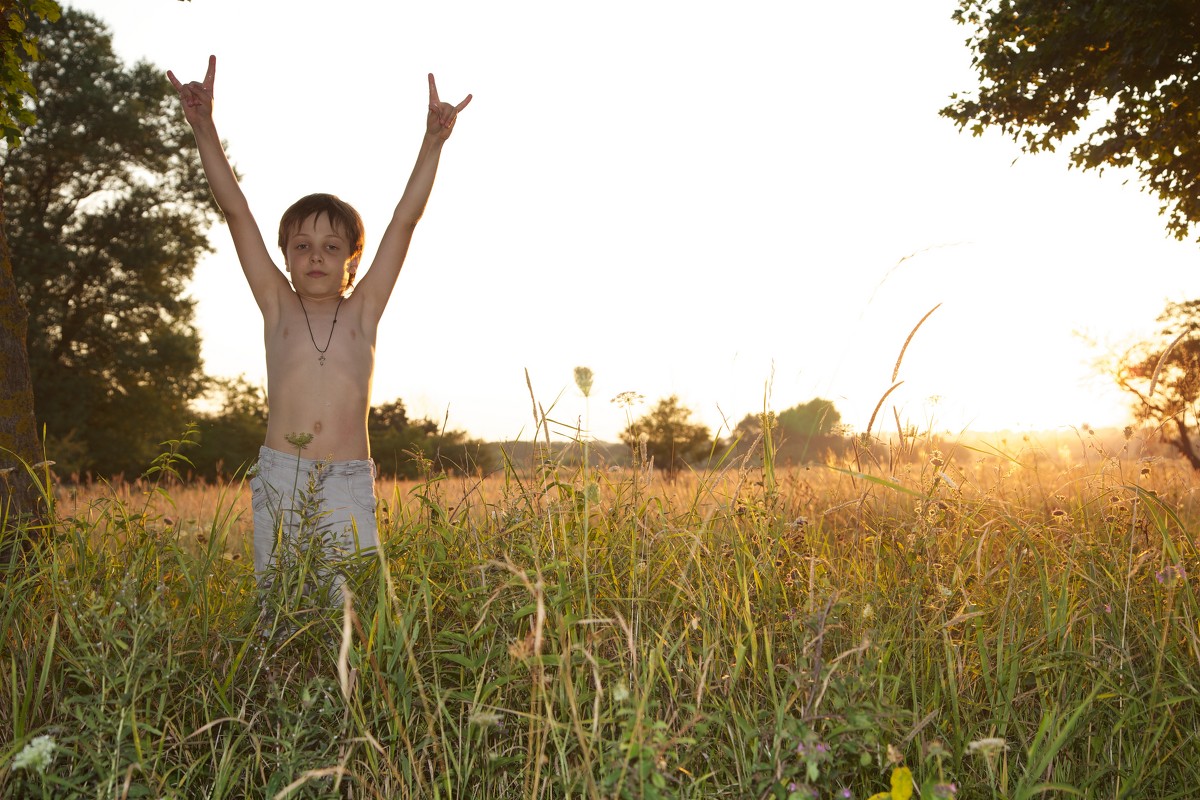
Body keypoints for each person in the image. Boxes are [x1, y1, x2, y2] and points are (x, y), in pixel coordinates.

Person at [168, 56, 470, 588]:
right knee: (281, 608)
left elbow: (405, 220)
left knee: (350, 609)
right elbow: (236, 210)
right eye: (302, 246)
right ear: (283, 253)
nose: (315, 257)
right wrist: (204, 128)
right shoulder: (276, 304)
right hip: (284, 476)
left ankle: (348, 675)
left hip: (348, 481)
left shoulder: (363, 310)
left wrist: (433, 144)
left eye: (331, 247)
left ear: (352, 258)